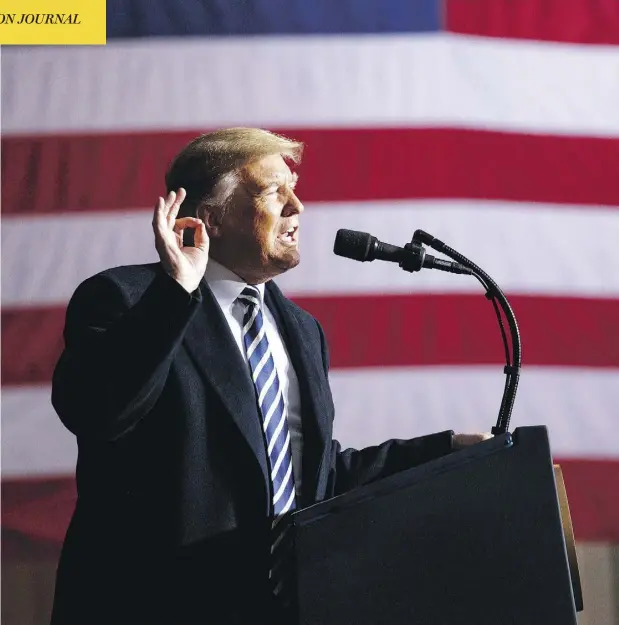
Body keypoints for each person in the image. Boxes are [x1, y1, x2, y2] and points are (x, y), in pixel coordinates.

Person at [50, 127, 490, 625]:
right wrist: (176, 293)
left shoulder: (302, 331)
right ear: (210, 219)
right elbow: (96, 412)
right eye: (272, 192)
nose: (297, 206)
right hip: (151, 606)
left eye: (294, 189)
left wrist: (447, 451)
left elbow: (314, 475)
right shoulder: (125, 299)